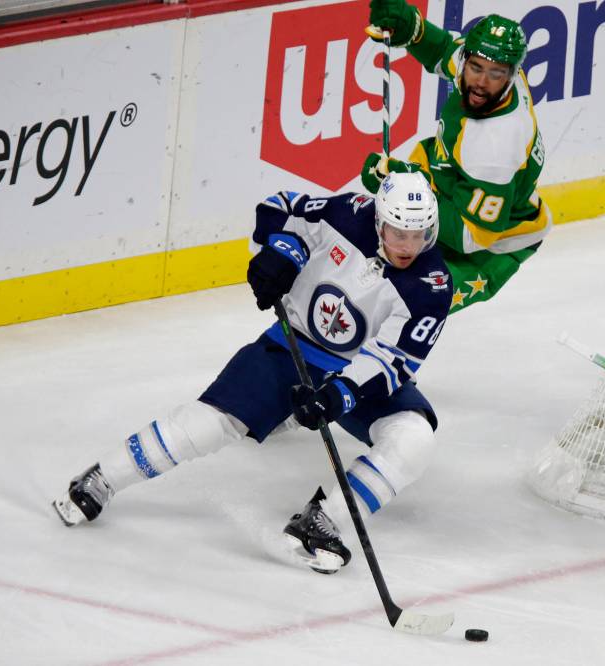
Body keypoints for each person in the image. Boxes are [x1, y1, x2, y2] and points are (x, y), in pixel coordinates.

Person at [53, 172, 452, 574]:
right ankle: (104, 477)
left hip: (356, 371)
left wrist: (339, 395)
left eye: (418, 235)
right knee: (207, 426)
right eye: (398, 233)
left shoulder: (431, 285)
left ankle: (324, 521)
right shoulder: (347, 214)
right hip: (292, 347)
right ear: (379, 221)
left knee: (414, 438)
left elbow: (393, 360)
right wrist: (284, 252)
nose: (408, 246)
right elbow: (279, 208)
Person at [360, 3, 551, 313]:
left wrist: (402, 182)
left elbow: (470, 236)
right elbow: (444, 50)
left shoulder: (496, 147)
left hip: (490, 248)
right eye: (476, 67)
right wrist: (414, 30)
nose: (482, 82)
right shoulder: (488, 66)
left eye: (496, 74)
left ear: (511, 74)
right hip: (451, 188)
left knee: (404, 310)